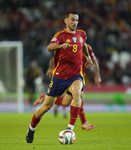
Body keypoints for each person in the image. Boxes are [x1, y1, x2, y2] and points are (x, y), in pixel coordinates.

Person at [26, 12, 95, 143]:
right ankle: (31, 128)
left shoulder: (82, 34)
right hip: (59, 77)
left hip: (76, 75)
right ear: (66, 21)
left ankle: (70, 128)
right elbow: (49, 47)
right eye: (72, 20)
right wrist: (60, 46)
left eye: (77, 20)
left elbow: (84, 44)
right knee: (46, 107)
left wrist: (89, 58)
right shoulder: (60, 36)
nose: (75, 23)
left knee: (77, 93)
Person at [33, 43, 101, 130]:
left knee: (66, 102)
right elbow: (54, 58)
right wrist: (50, 68)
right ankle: (83, 122)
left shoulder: (88, 48)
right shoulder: (72, 46)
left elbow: (94, 60)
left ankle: (43, 99)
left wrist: (97, 75)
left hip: (78, 77)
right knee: (79, 96)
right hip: (69, 77)